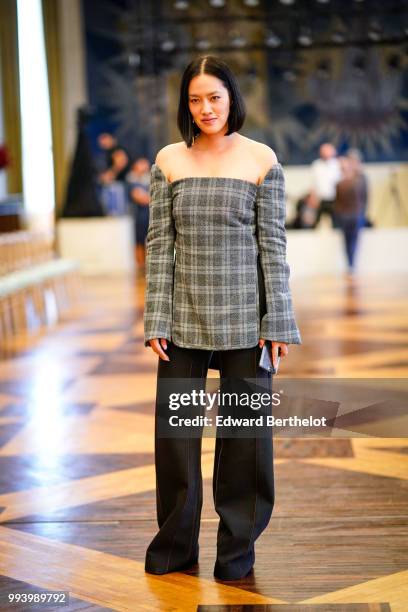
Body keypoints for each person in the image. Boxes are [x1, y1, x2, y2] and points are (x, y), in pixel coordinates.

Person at [143, 55, 302, 581]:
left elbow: (273, 247)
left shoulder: (261, 159)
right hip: (184, 319)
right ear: (185, 105)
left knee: (245, 447)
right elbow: (159, 243)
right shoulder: (168, 159)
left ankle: (236, 555)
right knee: (177, 443)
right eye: (194, 99)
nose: (205, 108)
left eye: (214, 97)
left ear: (231, 97)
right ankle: (173, 550)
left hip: (246, 319)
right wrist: (156, 319)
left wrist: (277, 320)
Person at [334, 153, 368, 273]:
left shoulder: (358, 181)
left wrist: (362, 213)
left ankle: (351, 265)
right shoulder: (340, 183)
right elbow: (337, 202)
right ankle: (350, 265)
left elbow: (364, 198)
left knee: (352, 240)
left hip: (355, 215)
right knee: (348, 241)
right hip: (347, 216)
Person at [126, 157, 151, 271]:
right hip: (137, 216)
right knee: (139, 241)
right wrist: (152, 198)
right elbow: (139, 197)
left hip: (149, 215)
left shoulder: (147, 179)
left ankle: (147, 264)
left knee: (149, 240)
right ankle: (140, 265)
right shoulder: (132, 179)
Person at [311, 142, 341, 228]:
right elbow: (313, 183)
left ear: (333, 152)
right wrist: (313, 197)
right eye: (323, 151)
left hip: (334, 199)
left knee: (336, 224)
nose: (325, 153)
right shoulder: (316, 165)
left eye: (328, 151)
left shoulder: (337, 165)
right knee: (315, 224)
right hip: (320, 199)